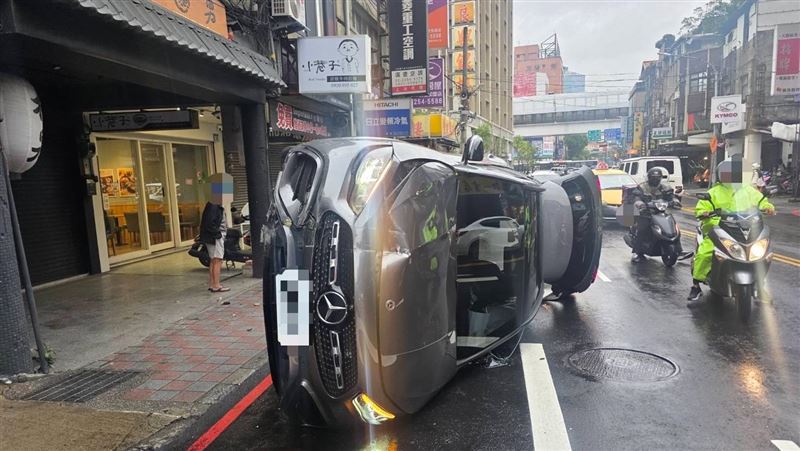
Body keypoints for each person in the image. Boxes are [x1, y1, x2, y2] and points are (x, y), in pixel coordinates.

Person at [688, 157, 775, 302]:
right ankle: (696, 285)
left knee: (762, 254)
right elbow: (701, 207)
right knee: (705, 253)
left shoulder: (748, 191)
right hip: (718, 228)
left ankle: (759, 286)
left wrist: (768, 207)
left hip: (745, 228)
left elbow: (762, 201)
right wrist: (704, 213)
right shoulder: (714, 192)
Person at [630, 167, 673, 262]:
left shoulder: (665, 187)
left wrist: (674, 201)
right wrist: (639, 203)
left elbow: (671, 197)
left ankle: (677, 248)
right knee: (642, 229)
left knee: (672, 225)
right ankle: (637, 252)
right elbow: (636, 197)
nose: (655, 179)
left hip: (661, 212)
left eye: (657, 177)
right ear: (649, 177)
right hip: (646, 213)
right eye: (653, 177)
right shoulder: (642, 187)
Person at [200, 200, 230, 292]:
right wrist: (218, 235)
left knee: (213, 260)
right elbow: (210, 223)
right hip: (215, 238)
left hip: (212, 237)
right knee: (218, 260)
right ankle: (216, 285)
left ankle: (212, 284)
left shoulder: (214, 205)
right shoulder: (214, 206)